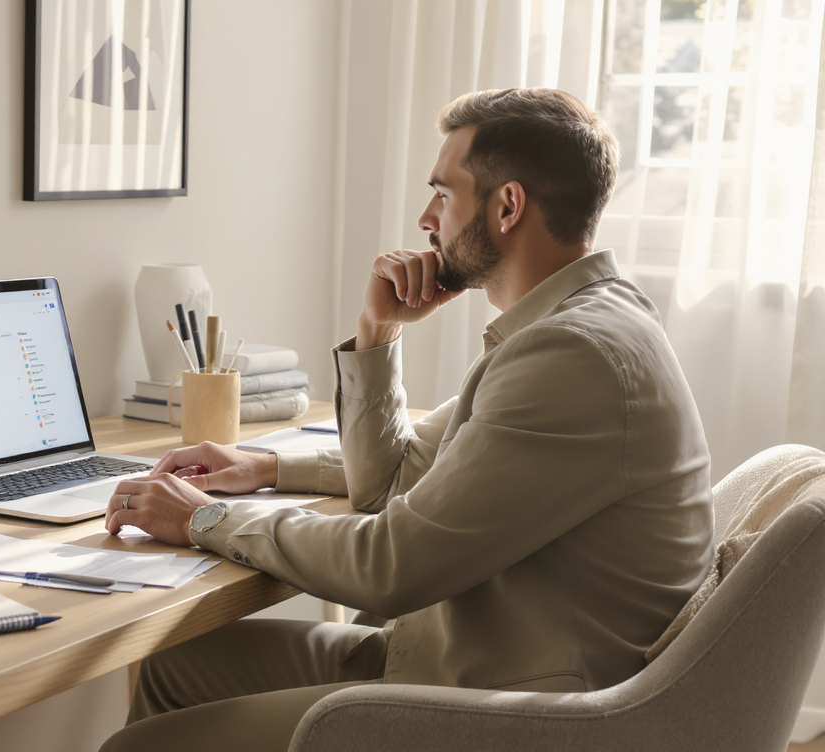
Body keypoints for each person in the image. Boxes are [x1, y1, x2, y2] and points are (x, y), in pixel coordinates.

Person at [98, 88, 713, 752]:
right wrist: (374, 334)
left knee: (135, 747)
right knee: (174, 665)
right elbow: (393, 479)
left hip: (516, 711)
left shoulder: (574, 354)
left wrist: (201, 517)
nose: (426, 218)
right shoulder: (581, 321)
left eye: (443, 195)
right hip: (467, 660)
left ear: (508, 206)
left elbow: (390, 566)